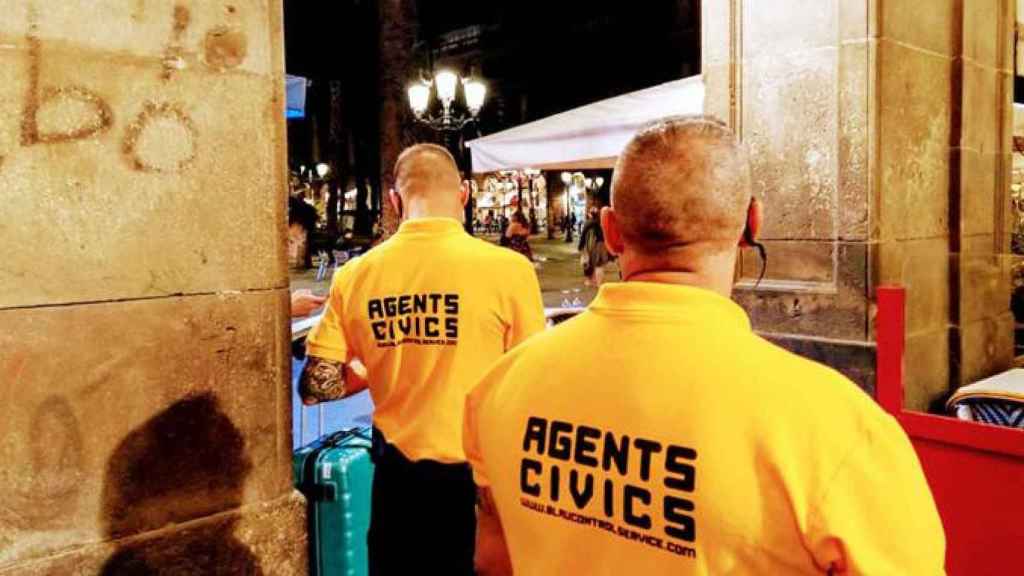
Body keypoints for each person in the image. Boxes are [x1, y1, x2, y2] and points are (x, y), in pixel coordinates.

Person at [464, 116, 945, 575]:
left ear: (610, 231)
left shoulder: (500, 386)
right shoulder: (836, 427)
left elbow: (492, 560)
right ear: (751, 225)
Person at [300, 143, 546, 575]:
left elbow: (317, 385)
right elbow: (531, 388)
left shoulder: (357, 275)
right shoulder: (509, 271)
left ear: (395, 201)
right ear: (464, 195)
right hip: (479, 481)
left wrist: (374, 365)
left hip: (398, 480)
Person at [578, 205, 612, 286]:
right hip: (601, 244)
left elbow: (583, 236)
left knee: (592, 263)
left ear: (590, 214)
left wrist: (580, 246)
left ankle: (593, 281)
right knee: (599, 264)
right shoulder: (600, 222)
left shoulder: (588, 223)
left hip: (593, 245)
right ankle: (597, 281)